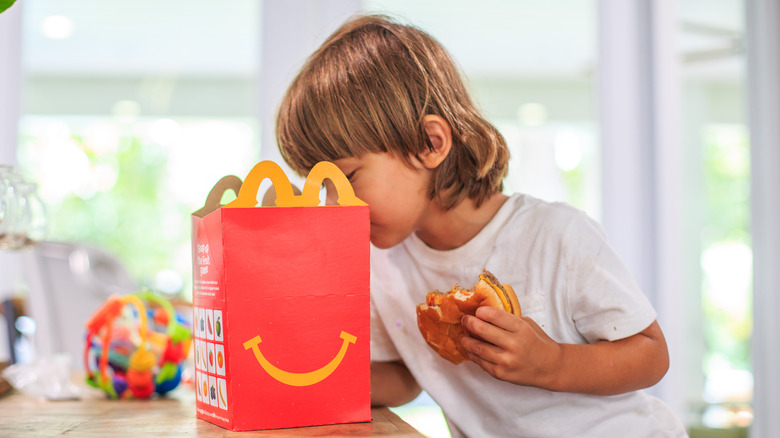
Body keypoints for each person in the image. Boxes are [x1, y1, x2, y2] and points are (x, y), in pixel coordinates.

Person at [275, 14, 688, 438]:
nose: (331, 203)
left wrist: (554, 363)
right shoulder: (382, 264)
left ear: (429, 143)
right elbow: (404, 376)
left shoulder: (556, 235)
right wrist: (297, 377)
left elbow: (652, 355)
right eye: (321, 187)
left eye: (346, 178)